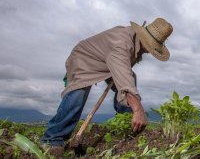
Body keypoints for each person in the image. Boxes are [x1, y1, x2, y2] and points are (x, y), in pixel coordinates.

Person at [41, 17, 173, 156]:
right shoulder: (122, 43)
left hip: (106, 62)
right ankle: (53, 139)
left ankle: (126, 127)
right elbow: (124, 79)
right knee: (78, 92)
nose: (149, 52)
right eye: (151, 47)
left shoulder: (135, 42)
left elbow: (125, 74)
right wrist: (138, 109)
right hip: (83, 59)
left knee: (131, 79)